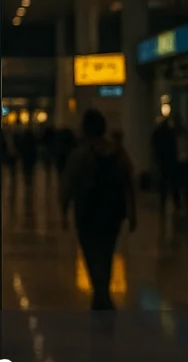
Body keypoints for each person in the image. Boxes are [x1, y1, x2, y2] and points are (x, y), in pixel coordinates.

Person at [61, 109, 137, 311]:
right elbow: (130, 180)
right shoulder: (118, 152)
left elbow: (68, 183)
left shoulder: (79, 154)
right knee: (107, 251)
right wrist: (133, 212)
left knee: (91, 253)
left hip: (87, 212)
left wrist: (63, 209)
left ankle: (100, 292)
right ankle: (102, 293)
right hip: (113, 212)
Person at [153, 115, 180, 217]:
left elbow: (155, 145)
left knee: (163, 185)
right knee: (174, 184)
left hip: (163, 162)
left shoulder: (159, 134)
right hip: (171, 162)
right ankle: (177, 204)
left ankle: (163, 204)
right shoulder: (170, 134)